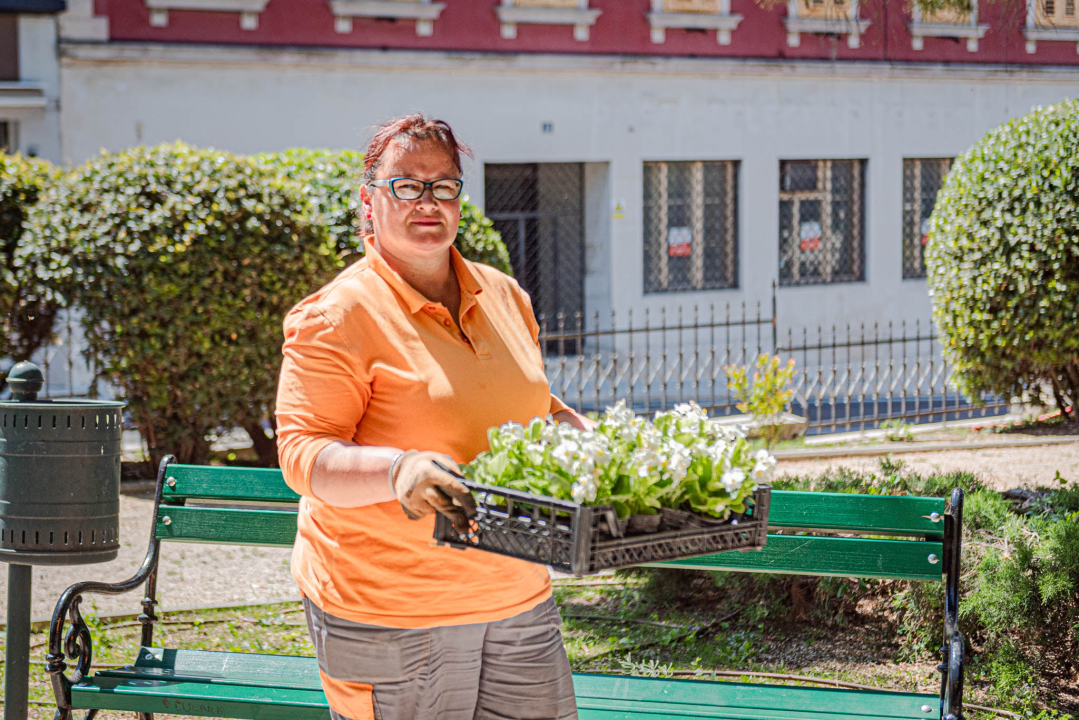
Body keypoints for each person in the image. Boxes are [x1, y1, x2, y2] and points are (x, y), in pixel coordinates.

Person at [274, 114, 592, 720]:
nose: (428, 201)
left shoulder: (504, 295)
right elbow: (304, 456)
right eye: (406, 184)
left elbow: (531, 407)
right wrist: (398, 469)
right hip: (393, 611)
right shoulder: (337, 316)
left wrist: (583, 438)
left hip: (518, 594)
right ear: (369, 201)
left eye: (443, 186)